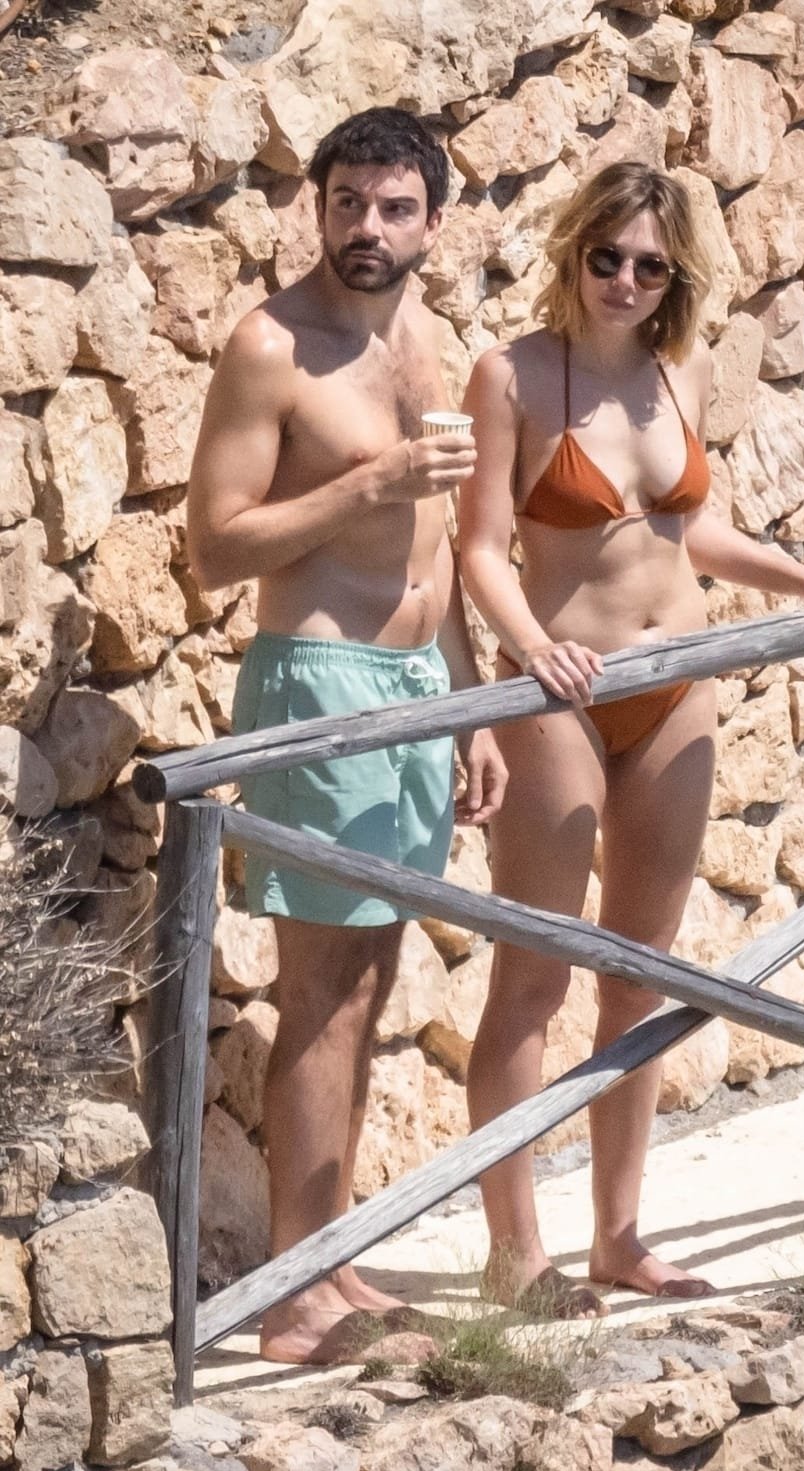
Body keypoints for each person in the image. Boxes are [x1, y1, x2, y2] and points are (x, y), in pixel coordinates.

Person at [459, 160, 804, 1318]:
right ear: (574, 251)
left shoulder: (676, 369)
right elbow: (481, 547)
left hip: (676, 687)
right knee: (533, 977)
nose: (625, 280)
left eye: (650, 265)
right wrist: (527, 645)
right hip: (558, 693)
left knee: (639, 976)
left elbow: (691, 528)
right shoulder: (512, 374)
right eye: (607, 257)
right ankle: (514, 1254)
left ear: (674, 276)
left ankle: (618, 1237)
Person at [185, 106, 507, 1364]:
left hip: (421, 687)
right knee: (319, 992)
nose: (367, 227)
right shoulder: (271, 348)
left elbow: (441, 548)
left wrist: (471, 705)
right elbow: (216, 549)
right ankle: (291, 1300)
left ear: (434, 221)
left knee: (369, 981)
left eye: (393, 207)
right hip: (320, 686)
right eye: (346, 203)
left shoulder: (427, 339)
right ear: (316, 206)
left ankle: (331, 1261)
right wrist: (364, 485)